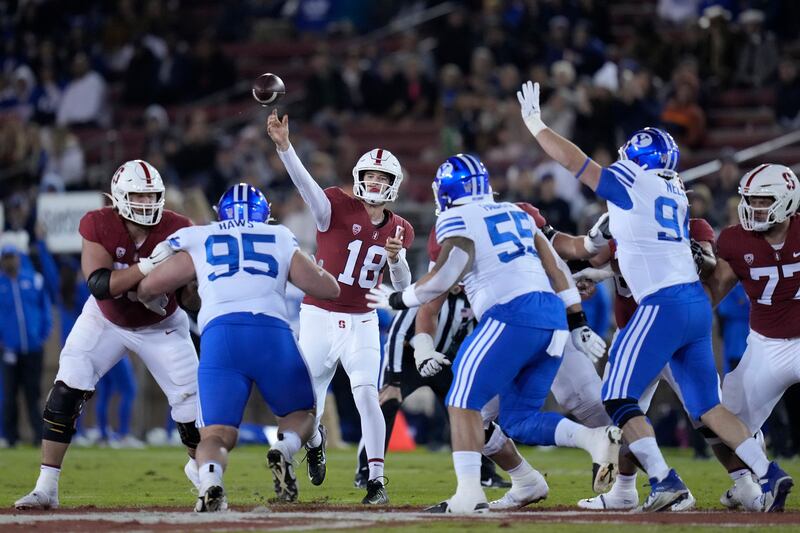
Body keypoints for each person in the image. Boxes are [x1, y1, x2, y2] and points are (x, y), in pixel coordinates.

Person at [518, 79, 792, 512]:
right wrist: (588, 268)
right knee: (707, 408)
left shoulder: (633, 181)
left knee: (616, 397)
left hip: (660, 307)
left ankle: (665, 481)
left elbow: (578, 163)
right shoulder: (674, 191)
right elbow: (620, 251)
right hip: (695, 306)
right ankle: (769, 473)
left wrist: (537, 127)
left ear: (636, 158)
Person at [367, 153, 606, 514]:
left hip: (509, 316)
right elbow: (557, 270)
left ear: (447, 191)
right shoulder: (517, 212)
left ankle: (468, 495)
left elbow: (444, 279)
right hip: (551, 317)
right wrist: (577, 320)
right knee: (516, 420)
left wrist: (399, 298)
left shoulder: (454, 218)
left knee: (461, 401)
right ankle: (584, 446)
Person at [138, 183, 340, 511]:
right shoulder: (279, 236)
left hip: (221, 336)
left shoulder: (201, 235)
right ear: (265, 215)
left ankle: (212, 481)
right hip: (271, 332)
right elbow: (326, 288)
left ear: (221, 214)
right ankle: (285, 449)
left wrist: (153, 301)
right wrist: (324, 275)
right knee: (300, 414)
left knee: (216, 434)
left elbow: (150, 285)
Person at [14, 160, 201, 510]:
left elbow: (192, 300)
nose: (146, 204)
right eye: (138, 196)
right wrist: (147, 267)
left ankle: (207, 480)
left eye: (152, 196)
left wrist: (188, 287)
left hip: (162, 326)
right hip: (106, 320)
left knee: (193, 412)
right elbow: (100, 285)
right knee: (66, 391)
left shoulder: (179, 228)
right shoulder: (98, 223)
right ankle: (46, 488)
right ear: (118, 197)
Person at [267, 110, 415, 504]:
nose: (375, 182)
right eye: (371, 176)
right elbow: (306, 186)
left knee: (366, 393)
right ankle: (313, 443)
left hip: (363, 319)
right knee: (306, 401)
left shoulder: (401, 228)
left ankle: (377, 480)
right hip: (319, 315)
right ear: (359, 178)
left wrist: (397, 260)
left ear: (394, 185)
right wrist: (285, 149)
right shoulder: (333, 204)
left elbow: (403, 289)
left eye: (383, 178)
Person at [706, 163, 800, 511]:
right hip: (765, 346)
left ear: (788, 199)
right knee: (717, 424)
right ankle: (746, 485)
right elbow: (714, 291)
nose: (755, 208)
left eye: (764, 200)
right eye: (751, 199)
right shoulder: (734, 239)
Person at [0, 243, 52, 447]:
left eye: (12, 257)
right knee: (9, 394)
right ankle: (10, 437)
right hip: (9, 350)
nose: (9, 261)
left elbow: (45, 309)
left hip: (33, 349)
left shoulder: (34, 281)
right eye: (6, 257)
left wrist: (42, 335)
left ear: (18, 258)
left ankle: (38, 437)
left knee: (33, 393)